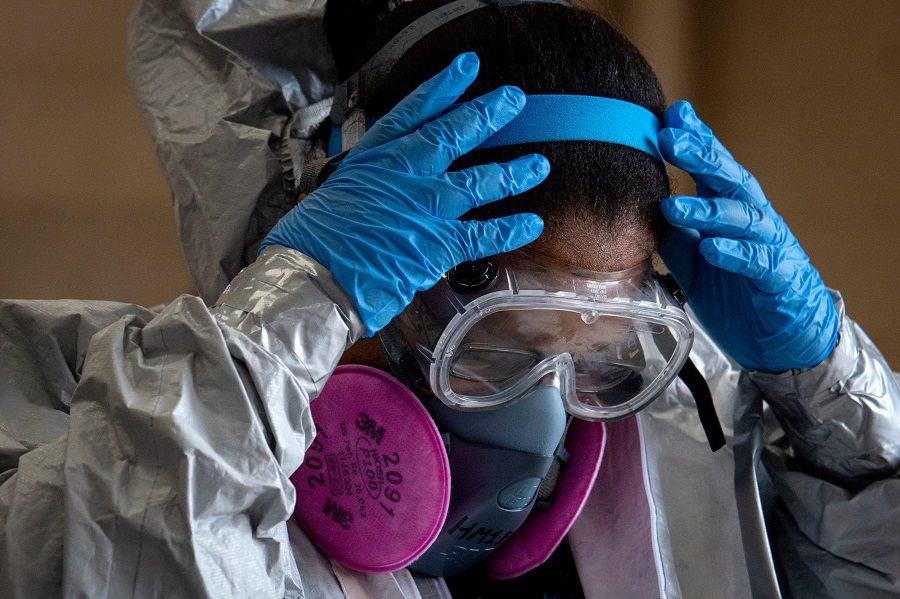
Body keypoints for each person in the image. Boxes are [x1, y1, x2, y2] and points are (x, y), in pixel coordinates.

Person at [0, 2, 897, 599]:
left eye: (599, 360)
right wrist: (296, 299)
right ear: (374, 279)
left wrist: (830, 391)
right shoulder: (96, 425)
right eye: (495, 345)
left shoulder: (706, 463)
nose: (547, 419)